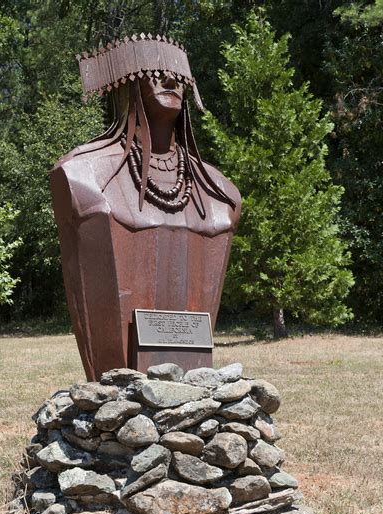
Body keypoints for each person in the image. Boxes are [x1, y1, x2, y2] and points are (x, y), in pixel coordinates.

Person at [51, 35, 241, 380]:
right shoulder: (83, 174)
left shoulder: (219, 192)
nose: (170, 81)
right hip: (117, 387)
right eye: (155, 71)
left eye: (177, 76)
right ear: (127, 85)